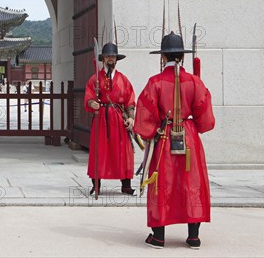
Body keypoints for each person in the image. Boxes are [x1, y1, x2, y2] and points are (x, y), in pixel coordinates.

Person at [135, 32, 215, 249]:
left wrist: (151, 131)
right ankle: (193, 236)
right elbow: (205, 118)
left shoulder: (155, 82)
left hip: (164, 136)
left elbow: (144, 115)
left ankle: (159, 236)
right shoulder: (195, 82)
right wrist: (193, 126)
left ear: (163, 57)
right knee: (192, 182)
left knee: (162, 182)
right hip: (188, 135)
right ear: (183, 56)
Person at [84, 42, 136, 196]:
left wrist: (131, 118)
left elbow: (130, 100)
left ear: (116, 59)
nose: (110, 59)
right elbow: (89, 95)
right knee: (99, 150)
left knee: (123, 151)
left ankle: (126, 184)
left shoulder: (123, 79)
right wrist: (91, 102)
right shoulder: (95, 78)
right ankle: (96, 183)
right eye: (108, 56)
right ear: (103, 59)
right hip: (101, 118)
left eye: (113, 56)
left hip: (119, 118)